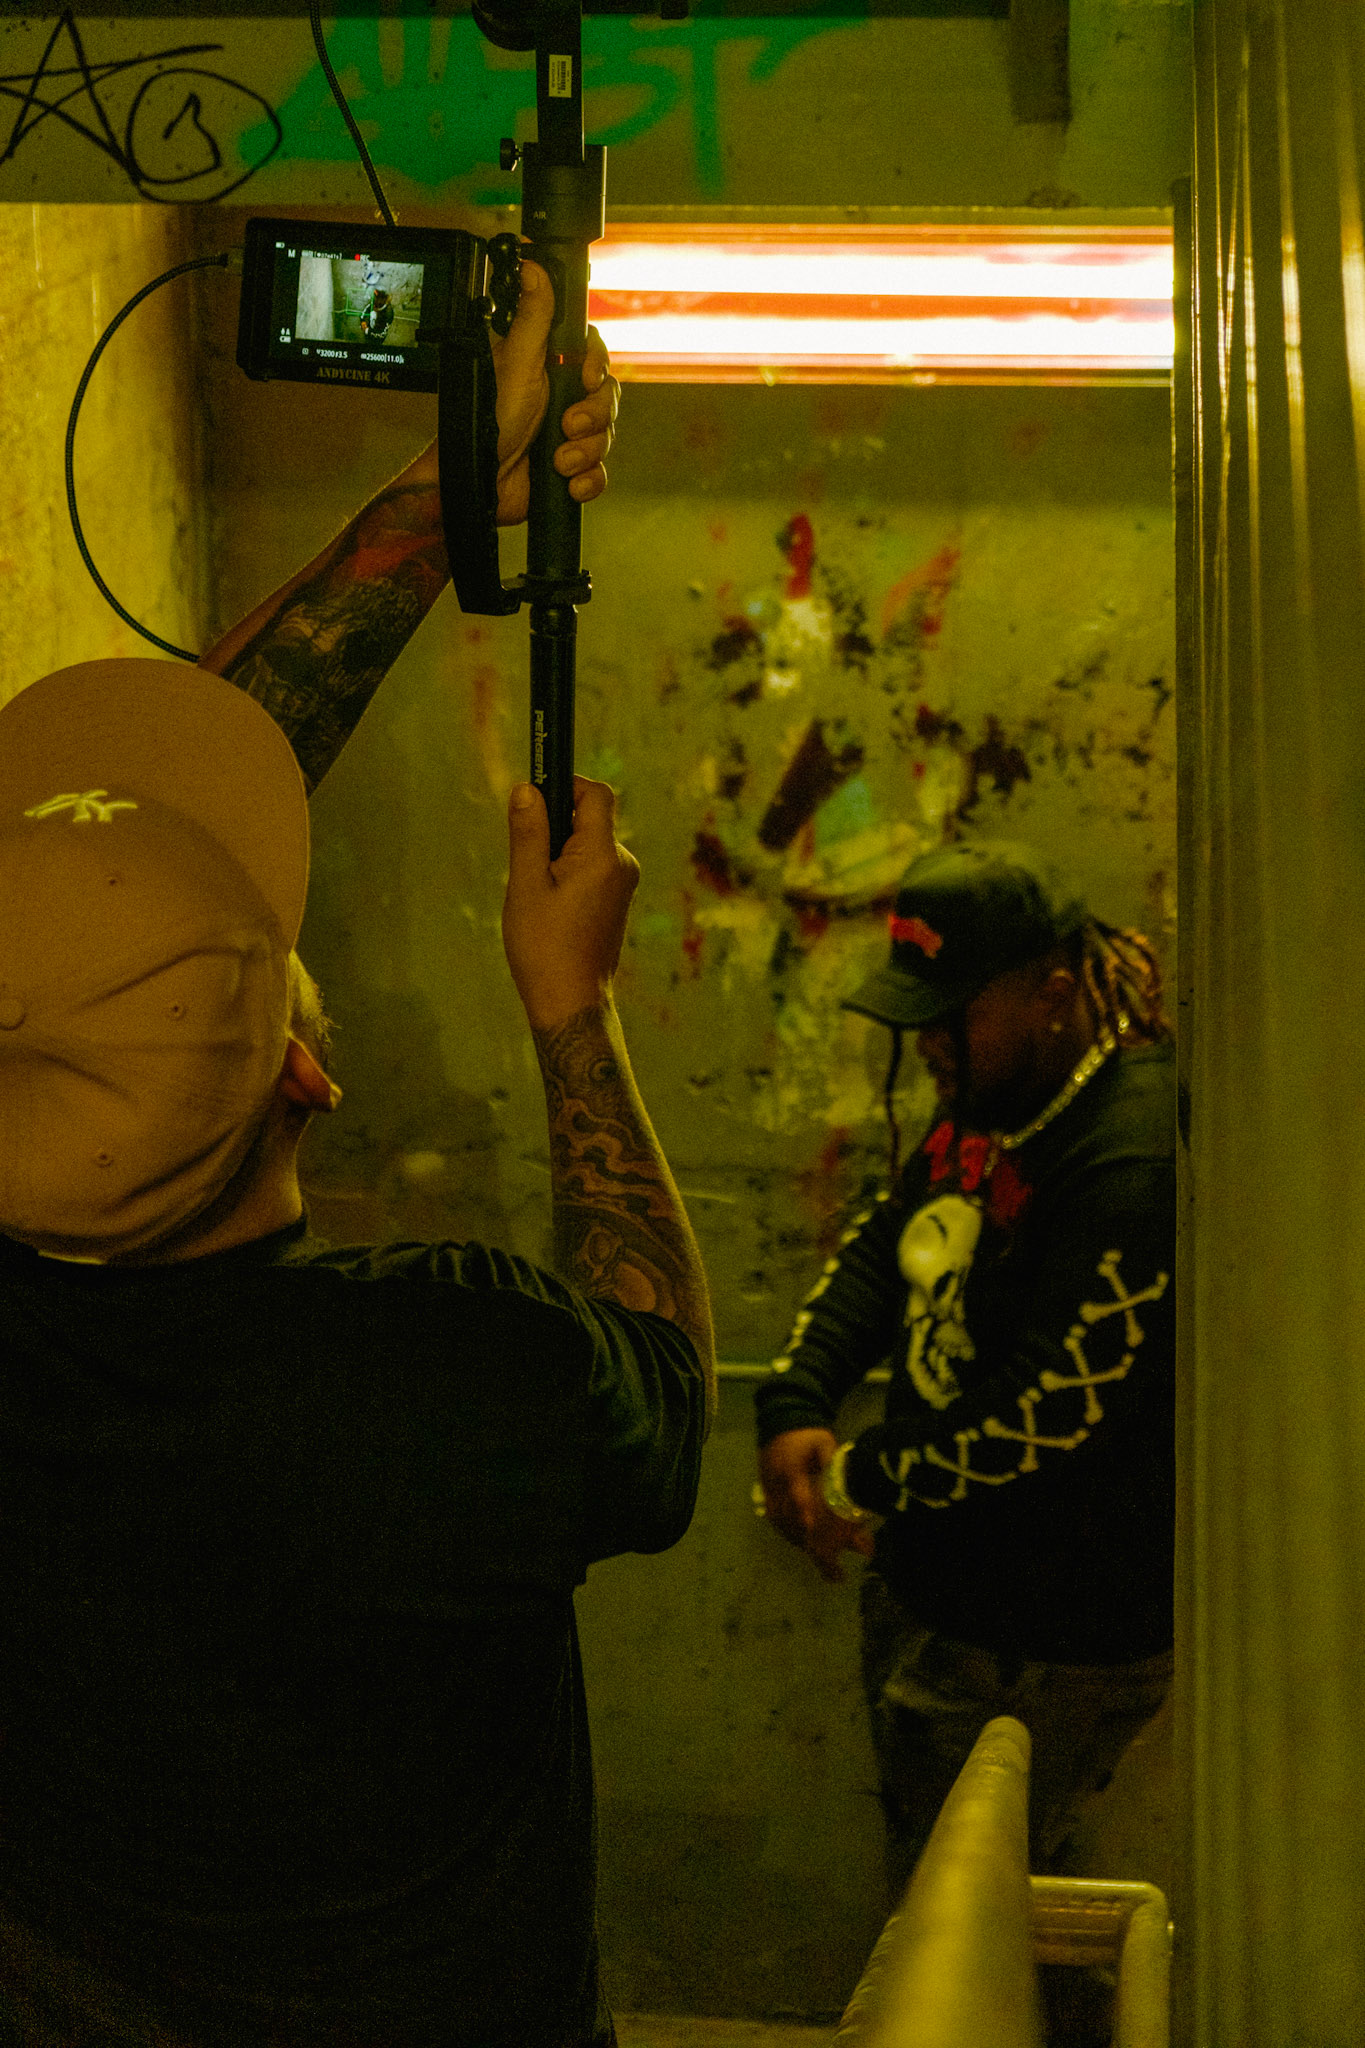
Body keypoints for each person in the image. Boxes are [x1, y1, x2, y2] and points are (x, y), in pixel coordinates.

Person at [0, 266, 714, 2048]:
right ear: (310, 1075)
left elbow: (129, 848)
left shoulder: (442, 1379)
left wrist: (453, 493)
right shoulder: (455, 1380)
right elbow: (666, 1378)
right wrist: (576, 1012)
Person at [754, 840, 1175, 1899]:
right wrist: (798, 1396)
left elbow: (1049, 1409)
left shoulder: (1125, 1151)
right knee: (951, 1915)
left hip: (1044, 1651)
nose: (927, 1044)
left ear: (1053, 994)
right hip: (945, 1610)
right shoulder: (1001, 1094)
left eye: (950, 1017)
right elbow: (885, 1241)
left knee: (987, 1937)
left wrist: (857, 1478)